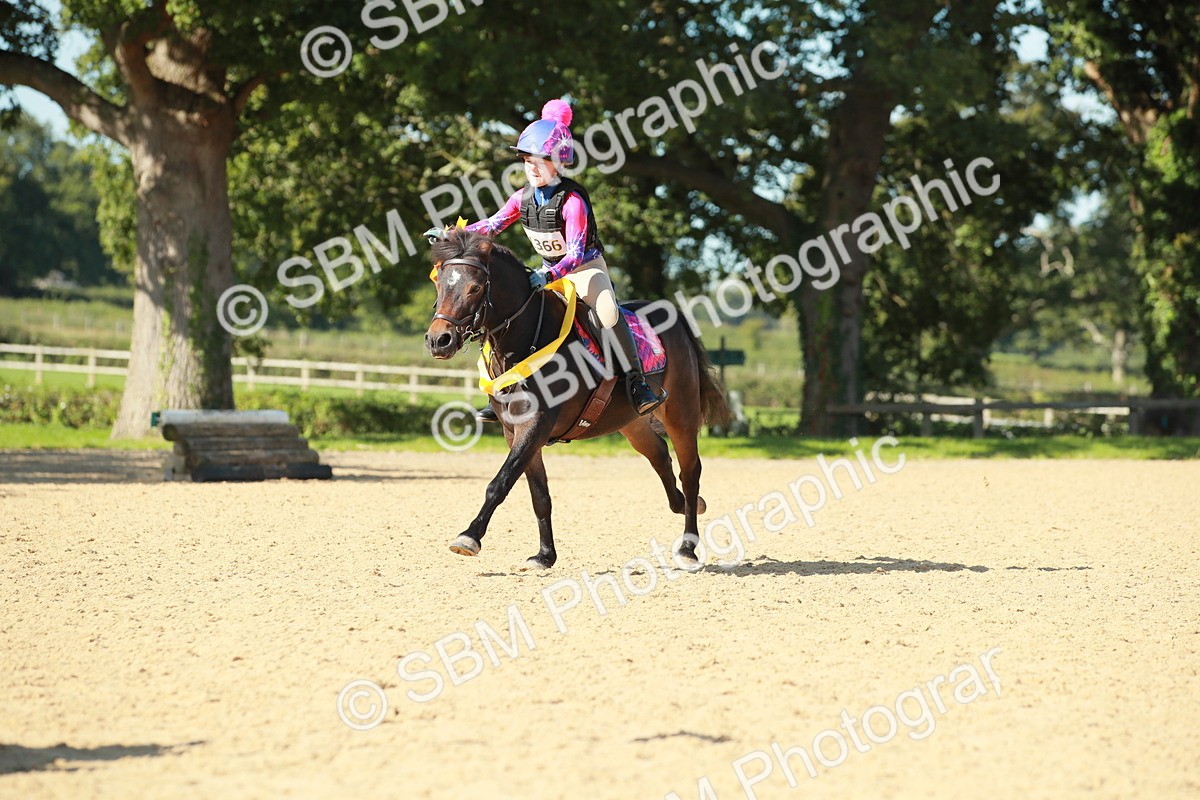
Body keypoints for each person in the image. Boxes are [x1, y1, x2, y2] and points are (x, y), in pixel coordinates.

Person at [459, 99, 667, 422]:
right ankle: (498, 393)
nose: (532, 167)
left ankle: (638, 383)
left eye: (541, 160)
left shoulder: (572, 202)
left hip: (584, 271)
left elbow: (574, 253)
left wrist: (548, 275)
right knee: (500, 311)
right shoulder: (522, 198)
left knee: (609, 313)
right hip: (548, 272)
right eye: (527, 160)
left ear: (558, 163)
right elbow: (492, 225)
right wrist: (453, 233)